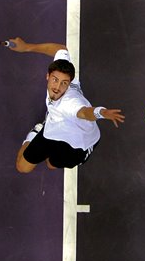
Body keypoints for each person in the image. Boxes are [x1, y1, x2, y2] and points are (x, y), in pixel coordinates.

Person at [8, 37, 125, 173]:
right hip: (53, 131)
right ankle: (36, 132)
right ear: (48, 76)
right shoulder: (63, 71)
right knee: (22, 167)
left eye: (64, 83)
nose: (57, 87)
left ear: (69, 83)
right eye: (55, 80)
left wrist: (101, 112)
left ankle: (44, 134)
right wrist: (27, 47)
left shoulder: (70, 103)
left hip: (77, 146)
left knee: (51, 164)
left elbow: (84, 112)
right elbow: (60, 49)